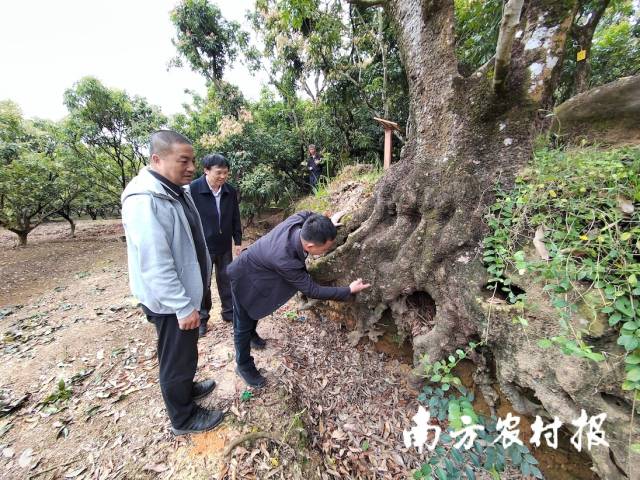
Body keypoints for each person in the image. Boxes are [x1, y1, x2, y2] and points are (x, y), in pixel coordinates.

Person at [121, 130, 224, 435]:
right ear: (157, 159)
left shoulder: (175, 190)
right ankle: (183, 419)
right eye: (184, 160)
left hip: (185, 293)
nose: (192, 167)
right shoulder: (144, 200)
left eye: (193, 160)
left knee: (185, 353)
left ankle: (185, 389)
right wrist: (182, 305)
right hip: (170, 301)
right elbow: (155, 263)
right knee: (176, 359)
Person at [227, 211, 371, 388]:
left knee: (255, 307)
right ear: (310, 246)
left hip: (259, 270)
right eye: (325, 248)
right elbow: (312, 290)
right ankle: (243, 365)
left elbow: (308, 214)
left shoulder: (298, 222)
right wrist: (348, 290)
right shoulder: (285, 259)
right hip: (243, 277)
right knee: (242, 324)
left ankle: (252, 335)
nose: (326, 251)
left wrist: (326, 224)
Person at [189, 153, 242, 338]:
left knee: (226, 279)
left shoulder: (229, 190)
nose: (223, 177)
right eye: (219, 173)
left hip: (224, 244)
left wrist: (238, 241)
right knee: (203, 283)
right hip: (203, 245)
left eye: (226, 173)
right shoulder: (193, 189)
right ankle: (202, 319)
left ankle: (229, 313)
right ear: (206, 170)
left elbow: (235, 216)